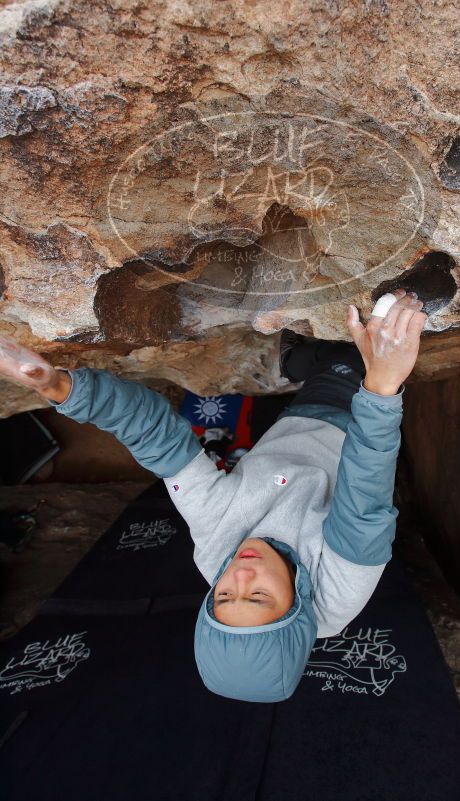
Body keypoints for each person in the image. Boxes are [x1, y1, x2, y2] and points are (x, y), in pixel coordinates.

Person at [0, 288, 427, 703]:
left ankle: (302, 361)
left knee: (317, 362)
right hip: (356, 427)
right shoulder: (340, 588)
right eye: (259, 596)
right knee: (364, 348)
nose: (240, 577)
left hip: (297, 421)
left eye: (223, 596)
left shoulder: (215, 549)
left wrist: (58, 387)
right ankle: (319, 361)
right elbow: (364, 490)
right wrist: (383, 386)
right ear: (297, 605)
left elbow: (158, 439)